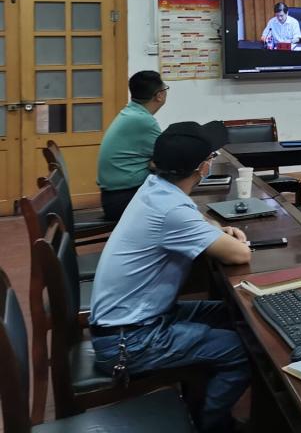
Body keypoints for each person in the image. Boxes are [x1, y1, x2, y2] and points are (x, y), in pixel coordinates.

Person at [90, 121, 252, 433]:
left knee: (233, 314)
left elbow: (195, 219)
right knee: (241, 349)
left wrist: (217, 232)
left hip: (131, 322)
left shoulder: (155, 188)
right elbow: (239, 255)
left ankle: (199, 402)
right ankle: (213, 426)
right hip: (129, 341)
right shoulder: (170, 210)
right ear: (204, 167)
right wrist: (227, 239)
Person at [96, 70, 167, 221]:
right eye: (165, 88)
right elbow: (166, 159)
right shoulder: (143, 120)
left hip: (115, 196)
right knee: (175, 203)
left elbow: (156, 159)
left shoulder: (131, 112)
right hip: (123, 200)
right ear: (159, 95)